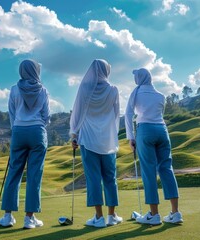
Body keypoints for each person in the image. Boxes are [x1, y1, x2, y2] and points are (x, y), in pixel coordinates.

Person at [125, 68, 183, 225]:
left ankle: (154, 214)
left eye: (136, 77)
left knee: (149, 171)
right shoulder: (160, 95)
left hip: (145, 130)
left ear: (139, 78)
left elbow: (128, 114)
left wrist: (130, 137)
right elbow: (159, 114)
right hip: (162, 131)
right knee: (166, 168)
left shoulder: (136, 92)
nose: (135, 79)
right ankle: (175, 213)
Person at [0, 59, 50, 229]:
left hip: (19, 131)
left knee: (14, 173)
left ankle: (7, 216)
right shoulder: (43, 90)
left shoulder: (14, 89)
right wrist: (38, 124)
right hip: (37, 132)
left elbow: (11, 113)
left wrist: (17, 129)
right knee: (35, 175)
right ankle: (29, 218)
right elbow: (46, 116)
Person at [70, 59, 123, 228]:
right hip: (107, 140)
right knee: (110, 177)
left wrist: (74, 134)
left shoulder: (85, 88)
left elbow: (77, 112)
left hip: (87, 139)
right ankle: (112, 215)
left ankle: (99, 218)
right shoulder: (113, 89)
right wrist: (112, 133)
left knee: (93, 178)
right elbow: (116, 114)